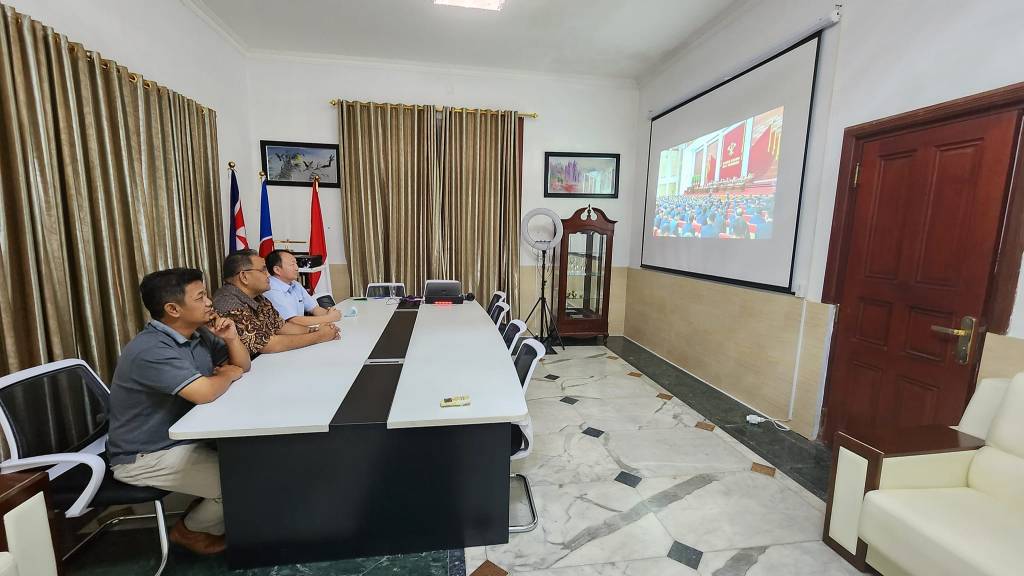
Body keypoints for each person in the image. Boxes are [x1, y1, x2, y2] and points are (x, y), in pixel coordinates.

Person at [107, 268, 251, 555]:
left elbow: (242, 365)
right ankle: (190, 531)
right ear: (173, 309)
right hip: (145, 454)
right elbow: (204, 392)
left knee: (254, 463)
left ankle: (207, 507)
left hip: (179, 439)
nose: (209, 302)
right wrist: (227, 374)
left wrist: (232, 339)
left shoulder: (197, 334)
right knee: (242, 482)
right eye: (200, 297)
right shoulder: (151, 349)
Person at [212, 250, 339, 357]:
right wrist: (319, 336)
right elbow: (268, 345)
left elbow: (281, 326)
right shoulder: (227, 302)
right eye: (263, 270)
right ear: (244, 277)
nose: (268, 275)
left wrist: (314, 330)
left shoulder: (258, 297)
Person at [263, 249, 341, 328]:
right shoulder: (270, 289)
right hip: (288, 333)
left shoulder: (295, 284)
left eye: (296, 263)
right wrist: (328, 318)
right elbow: (293, 321)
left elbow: (314, 309)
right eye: (292, 264)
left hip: (301, 329)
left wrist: (330, 313)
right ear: (277, 270)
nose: (297, 268)